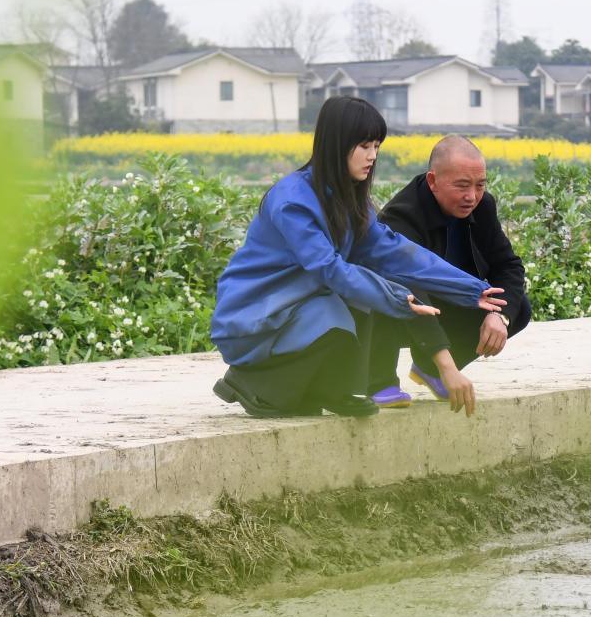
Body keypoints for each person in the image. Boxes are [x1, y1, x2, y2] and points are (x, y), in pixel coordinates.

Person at [210, 98, 506, 418]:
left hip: (299, 306)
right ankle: (251, 382)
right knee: (342, 306)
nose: (373, 155)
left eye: (376, 145)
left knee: (357, 301)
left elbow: (395, 252)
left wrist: (472, 289)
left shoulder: (351, 201)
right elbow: (329, 268)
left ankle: (327, 388)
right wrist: (397, 299)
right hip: (255, 314)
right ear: (336, 144)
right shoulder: (292, 201)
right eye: (364, 145)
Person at [365, 135, 531, 416]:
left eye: (480, 185)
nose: (472, 196)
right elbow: (410, 289)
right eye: (462, 186)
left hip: (449, 303)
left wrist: (499, 317)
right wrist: (447, 365)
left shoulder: (482, 206)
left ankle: (429, 370)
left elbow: (508, 266)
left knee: (516, 308)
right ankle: (379, 379)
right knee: (388, 289)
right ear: (433, 181)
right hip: (403, 307)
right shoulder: (402, 218)